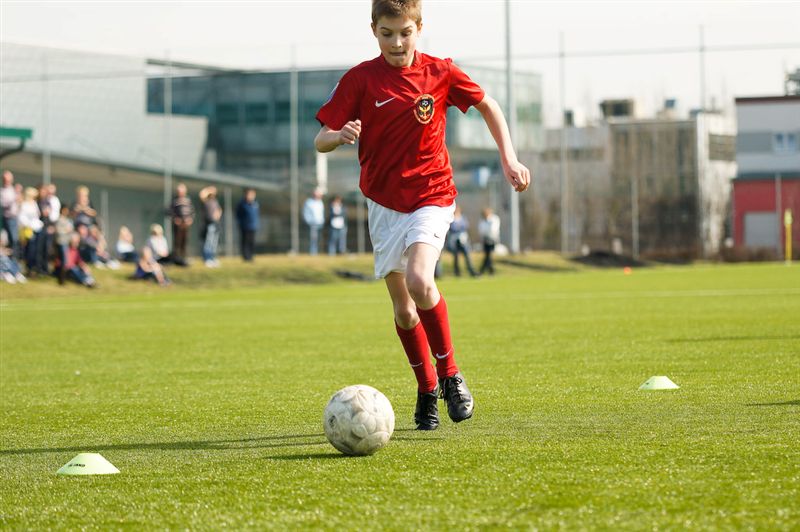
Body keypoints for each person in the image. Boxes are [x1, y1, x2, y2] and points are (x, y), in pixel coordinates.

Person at [314, 0, 530, 431]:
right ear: (373, 30)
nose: (397, 42)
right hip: (383, 204)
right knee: (404, 312)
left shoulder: (440, 71)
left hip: (432, 195)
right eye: (387, 33)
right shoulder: (360, 79)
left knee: (419, 280)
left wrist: (509, 158)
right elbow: (320, 139)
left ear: (419, 28)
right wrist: (338, 135)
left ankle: (450, 375)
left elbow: (489, 105)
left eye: (405, 33)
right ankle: (427, 387)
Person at [17, 187, 43, 275]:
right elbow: (21, 218)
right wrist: (28, 225)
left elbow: (37, 216)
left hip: (37, 229)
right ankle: (29, 268)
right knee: (30, 250)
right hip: (29, 230)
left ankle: (34, 268)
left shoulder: (34, 204)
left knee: (36, 250)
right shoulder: (24, 205)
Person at [446, 205, 477, 277]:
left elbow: (466, 226)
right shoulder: (451, 218)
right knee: (456, 256)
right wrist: (459, 228)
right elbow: (452, 228)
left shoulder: (463, 218)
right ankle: (457, 272)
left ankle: (471, 270)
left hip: (463, 240)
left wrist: (458, 228)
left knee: (467, 254)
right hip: (454, 240)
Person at [168, 183, 194, 266]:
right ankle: (176, 258)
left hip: (185, 224)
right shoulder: (174, 200)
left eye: (182, 191)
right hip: (177, 224)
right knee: (177, 241)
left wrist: (190, 219)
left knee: (184, 241)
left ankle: (184, 258)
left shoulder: (188, 200)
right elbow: (170, 211)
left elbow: (192, 211)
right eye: (179, 191)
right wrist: (175, 219)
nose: (180, 192)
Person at [200, 186, 222, 267]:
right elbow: (202, 194)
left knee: (214, 243)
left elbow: (219, 210)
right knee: (209, 242)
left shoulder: (215, 201)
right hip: (209, 224)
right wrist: (209, 189)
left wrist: (218, 215)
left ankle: (212, 258)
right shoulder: (206, 201)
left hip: (216, 223)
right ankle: (207, 258)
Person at [235, 188, 260, 262]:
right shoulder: (242, 204)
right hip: (245, 226)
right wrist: (240, 223)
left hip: (253, 226)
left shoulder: (255, 204)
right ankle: (246, 257)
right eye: (249, 194)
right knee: (245, 242)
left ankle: (251, 256)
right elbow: (238, 215)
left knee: (252, 242)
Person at [1, 171, 20, 259]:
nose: (7, 181)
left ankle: (14, 259)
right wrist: (14, 197)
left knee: (15, 240)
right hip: (8, 218)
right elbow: (4, 204)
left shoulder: (13, 190)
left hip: (15, 217)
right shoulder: (2, 191)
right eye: (6, 179)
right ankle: (10, 259)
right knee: (10, 239)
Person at [54, 205, 74, 284]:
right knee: (63, 261)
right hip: (61, 242)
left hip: (66, 242)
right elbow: (58, 231)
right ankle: (61, 279)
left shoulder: (67, 220)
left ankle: (63, 278)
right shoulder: (59, 220)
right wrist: (66, 230)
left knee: (64, 261)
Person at [478, 207, 501, 275]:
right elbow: (481, 230)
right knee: (487, 255)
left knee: (489, 255)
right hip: (485, 239)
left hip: (492, 239)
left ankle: (483, 270)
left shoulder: (494, 219)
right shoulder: (482, 221)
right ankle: (490, 270)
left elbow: (493, 229)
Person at [302, 188, 325, 255]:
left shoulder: (320, 202)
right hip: (312, 224)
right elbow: (305, 213)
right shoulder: (308, 202)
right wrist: (309, 222)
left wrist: (322, 221)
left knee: (318, 239)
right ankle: (313, 252)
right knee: (313, 239)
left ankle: (317, 252)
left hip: (320, 223)